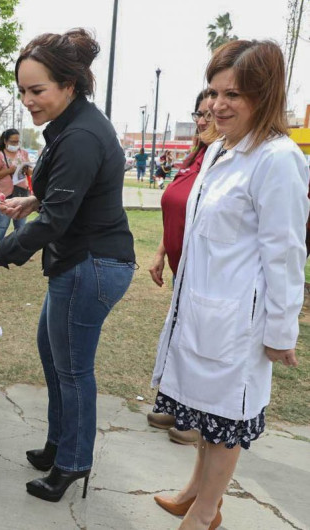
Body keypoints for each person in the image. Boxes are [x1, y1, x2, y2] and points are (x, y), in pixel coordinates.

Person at [0, 29, 136, 503]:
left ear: (69, 85)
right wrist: (34, 199)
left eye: (37, 90)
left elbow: (59, 221)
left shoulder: (82, 134)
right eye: (23, 90)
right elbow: (69, 198)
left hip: (91, 263)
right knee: (54, 358)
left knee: (73, 371)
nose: (27, 100)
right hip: (77, 259)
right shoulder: (71, 125)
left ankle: (73, 461)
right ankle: (58, 444)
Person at [150, 40, 309, 530]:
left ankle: (205, 513)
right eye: (214, 93)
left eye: (232, 95)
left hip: (240, 317)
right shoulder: (219, 150)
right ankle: (196, 490)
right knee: (202, 409)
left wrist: (281, 330)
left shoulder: (277, 159)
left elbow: (285, 253)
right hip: (199, 306)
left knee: (225, 419)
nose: (217, 105)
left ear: (263, 95)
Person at [146, 90, 211, 446]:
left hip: (206, 273)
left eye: (208, 115)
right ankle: (175, 403)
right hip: (180, 268)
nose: (202, 121)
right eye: (198, 113)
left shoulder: (223, 159)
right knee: (177, 337)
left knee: (196, 341)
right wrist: (159, 252)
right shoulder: (196, 156)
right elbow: (176, 209)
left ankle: (196, 416)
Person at [0, 128, 31, 244]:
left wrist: (27, 169)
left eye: (17, 142)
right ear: (5, 141)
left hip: (21, 193)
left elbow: (30, 172)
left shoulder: (23, 153)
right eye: (12, 142)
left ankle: (19, 251)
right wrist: (9, 170)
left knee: (21, 226)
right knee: (2, 225)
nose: (15, 144)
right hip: (3, 195)